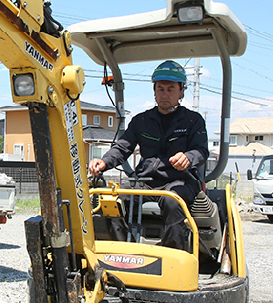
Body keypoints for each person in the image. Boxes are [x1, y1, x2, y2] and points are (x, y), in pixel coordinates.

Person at [87, 60, 208, 248]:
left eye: (170, 89)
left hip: (180, 181)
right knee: (113, 200)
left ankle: (172, 254)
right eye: (160, 89)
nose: (164, 94)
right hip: (146, 182)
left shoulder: (193, 121)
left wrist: (188, 158)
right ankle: (126, 250)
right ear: (154, 90)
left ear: (182, 91)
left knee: (172, 200)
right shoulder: (141, 121)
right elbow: (122, 147)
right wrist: (104, 162)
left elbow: (201, 151)